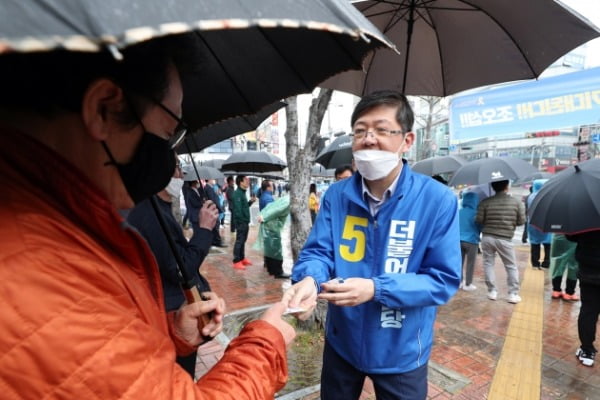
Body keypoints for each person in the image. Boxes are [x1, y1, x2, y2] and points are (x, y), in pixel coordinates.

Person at [0, 36, 295, 397]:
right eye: (169, 132)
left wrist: (168, 332)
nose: (167, 159)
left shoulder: (57, 220)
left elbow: (105, 366)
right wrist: (267, 342)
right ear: (104, 109)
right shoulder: (37, 269)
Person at [286, 90, 461, 400]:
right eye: (360, 131)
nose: (368, 139)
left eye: (381, 130)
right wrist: (310, 279)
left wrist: (375, 289)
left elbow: (442, 280)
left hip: (403, 350)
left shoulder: (437, 200)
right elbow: (318, 252)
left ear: (407, 141)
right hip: (343, 342)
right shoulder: (336, 196)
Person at [127, 160, 218, 378]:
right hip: (172, 317)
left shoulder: (159, 208)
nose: (181, 174)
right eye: (176, 167)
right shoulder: (149, 213)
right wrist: (204, 229)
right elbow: (181, 269)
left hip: (177, 312)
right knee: (181, 377)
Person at [476, 180, 525, 304]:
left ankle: (492, 291)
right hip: (505, 238)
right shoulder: (516, 202)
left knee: (488, 263)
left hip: (487, 237)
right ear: (507, 187)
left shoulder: (485, 202)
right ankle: (512, 294)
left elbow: (479, 220)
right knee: (510, 266)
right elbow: (521, 222)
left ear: (493, 187)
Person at [567, 229, 600, 367]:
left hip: (589, 272)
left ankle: (586, 350)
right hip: (590, 272)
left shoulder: (587, 215)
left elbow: (571, 235)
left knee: (588, 310)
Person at [256, 196, 292, 279]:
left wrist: (263, 215)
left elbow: (271, 206)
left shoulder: (285, 198)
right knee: (276, 249)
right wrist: (264, 217)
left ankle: (271, 269)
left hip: (269, 224)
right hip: (272, 225)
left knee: (270, 248)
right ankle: (278, 272)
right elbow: (276, 210)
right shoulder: (288, 202)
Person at [232, 175, 256, 270]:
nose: (248, 182)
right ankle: (236, 261)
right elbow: (238, 211)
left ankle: (242, 258)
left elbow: (244, 206)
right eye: (245, 180)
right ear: (240, 182)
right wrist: (242, 221)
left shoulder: (242, 193)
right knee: (239, 241)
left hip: (245, 222)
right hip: (241, 222)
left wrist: (251, 202)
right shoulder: (237, 194)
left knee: (243, 241)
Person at [459, 191, 482, 291]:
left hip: (458, 240)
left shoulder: (459, 212)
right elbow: (480, 227)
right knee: (470, 263)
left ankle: (459, 282)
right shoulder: (476, 213)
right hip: (472, 240)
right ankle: (468, 284)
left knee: (459, 262)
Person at [527, 179, 551, 269]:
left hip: (533, 223)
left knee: (535, 243)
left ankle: (535, 263)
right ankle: (546, 263)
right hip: (546, 222)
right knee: (548, 243)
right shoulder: (548, 196)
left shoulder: (531, 196)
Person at [549, 234, 579, 301]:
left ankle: (556, 290)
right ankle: (569, 293)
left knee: (558, 263)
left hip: (559, 236)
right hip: (574, 238)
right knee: (573, 265)